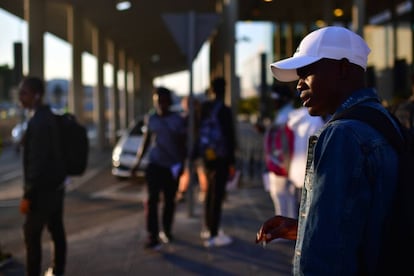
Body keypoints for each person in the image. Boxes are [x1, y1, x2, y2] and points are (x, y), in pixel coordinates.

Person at [255, 26, 401, 275]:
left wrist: (314, 233)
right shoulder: (385, 121)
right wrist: (304, 226)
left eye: (307, 72)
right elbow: (358, 222)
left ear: (343, 68)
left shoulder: (342, 134)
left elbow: (326, 251)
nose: (299, 85)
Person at [18, 77, 67, 276]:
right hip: (56, 187)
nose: (21, 98)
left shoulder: (38, 122)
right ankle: (57, 270)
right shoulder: (49, 117)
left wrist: (28, 194)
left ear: (37, 95)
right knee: (56, 230)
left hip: (41, 191)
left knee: (31, 236)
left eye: (24, 93)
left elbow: (37, 163)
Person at [131, 87, 187, 250]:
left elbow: (182, 144)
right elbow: (146, 141)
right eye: (158, 101)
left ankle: (167, 230)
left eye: (163, 101)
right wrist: (137, 162)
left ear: (169, 102)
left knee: (169, 201)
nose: (160, 104)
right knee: (151, 200)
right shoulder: (151, 119)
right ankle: (152, 235)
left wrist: (182, 164)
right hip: (154, 165)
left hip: (171, 167)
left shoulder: (178, 120)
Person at [194, 77, 236, 247]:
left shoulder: (204, 107)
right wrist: (232, 161)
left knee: (208, 192)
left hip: (207, 156)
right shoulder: (224, 109)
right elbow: (229, 136)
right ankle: (213, 234)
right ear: (223, 89)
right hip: (221, 158)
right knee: (217, 195)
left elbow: (197, 130)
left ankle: (207, 227)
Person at [262, 84, 297, 218]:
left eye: (276, 99)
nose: (273, 102)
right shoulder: (286, 113)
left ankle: (285, 227)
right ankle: (286, 225)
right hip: (283, 161)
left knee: (281, 194)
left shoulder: (286, 115)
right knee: (285, 195)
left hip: (281, 161)